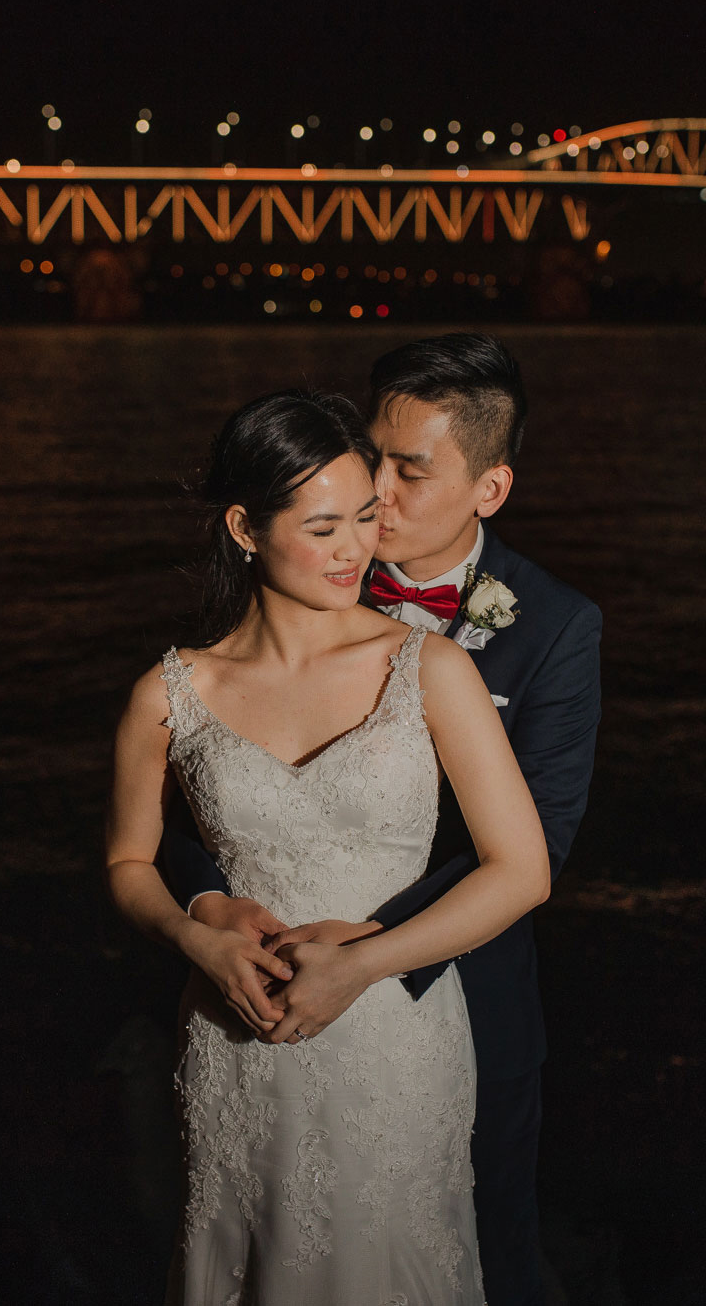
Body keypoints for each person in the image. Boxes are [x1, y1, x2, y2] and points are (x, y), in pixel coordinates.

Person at [162, 333, 604, 1306]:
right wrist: (209, 905)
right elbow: (189, 787)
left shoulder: (553, 627)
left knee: (482, 1259)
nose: (375, 493)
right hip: (266, 995)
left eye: (409, 470)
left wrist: (367, 946)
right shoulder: (297, 566)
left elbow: (543, 842)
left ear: (489, 488)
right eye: (372, 456)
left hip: (453, 1010)